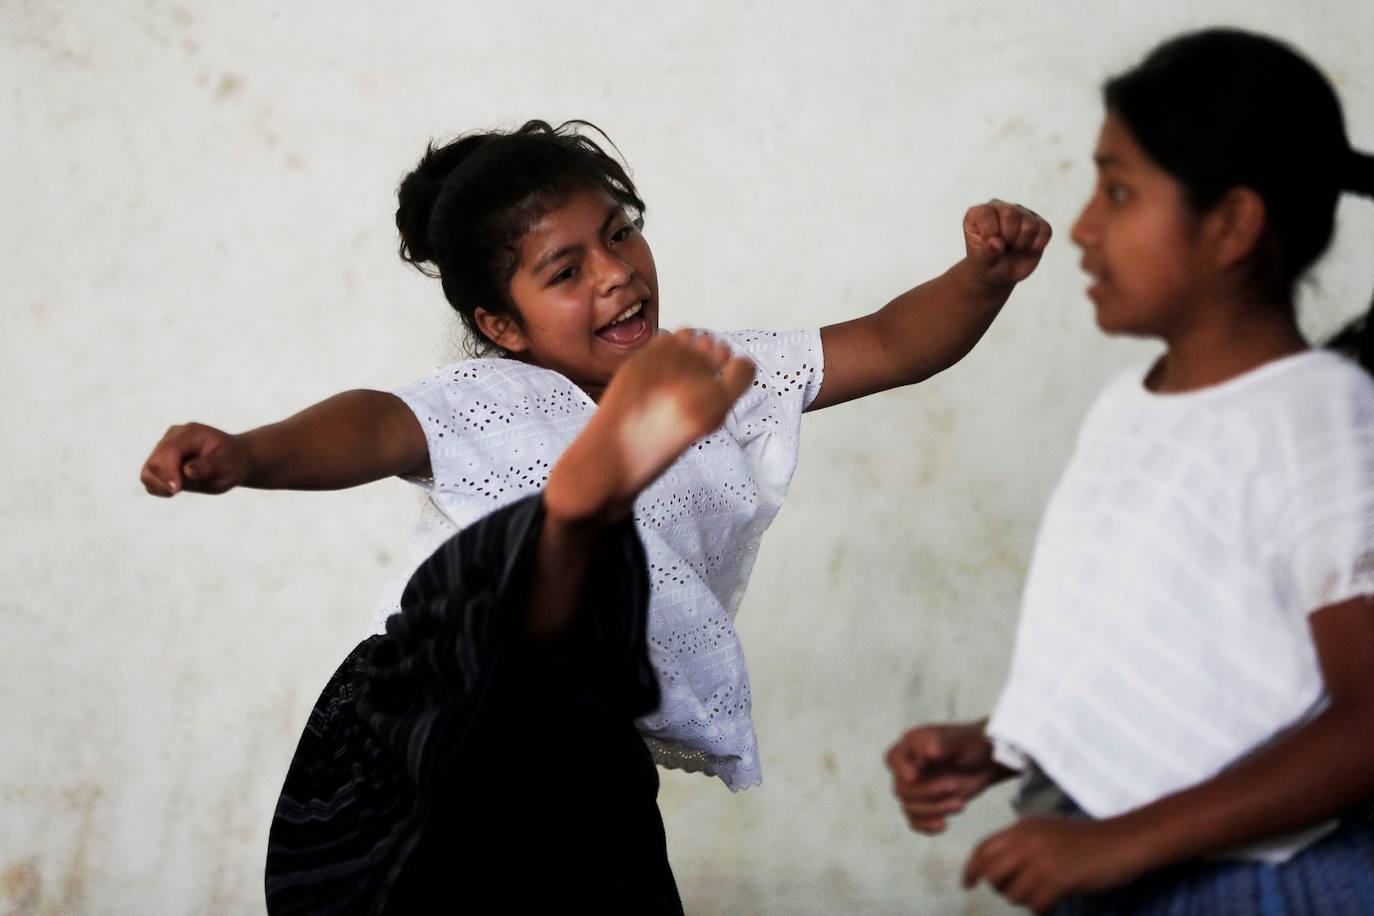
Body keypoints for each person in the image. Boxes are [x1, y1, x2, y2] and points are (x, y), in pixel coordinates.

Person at [886, 29, 1374, 914]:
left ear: (1231, 224)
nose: (1081, 224)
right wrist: (1007, 743)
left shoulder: (1318, 418)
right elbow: (1189, 655)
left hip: (1259, 884)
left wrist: (1117, 842)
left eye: (1118, 189)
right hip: (1128, 870)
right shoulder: (1128, 408)